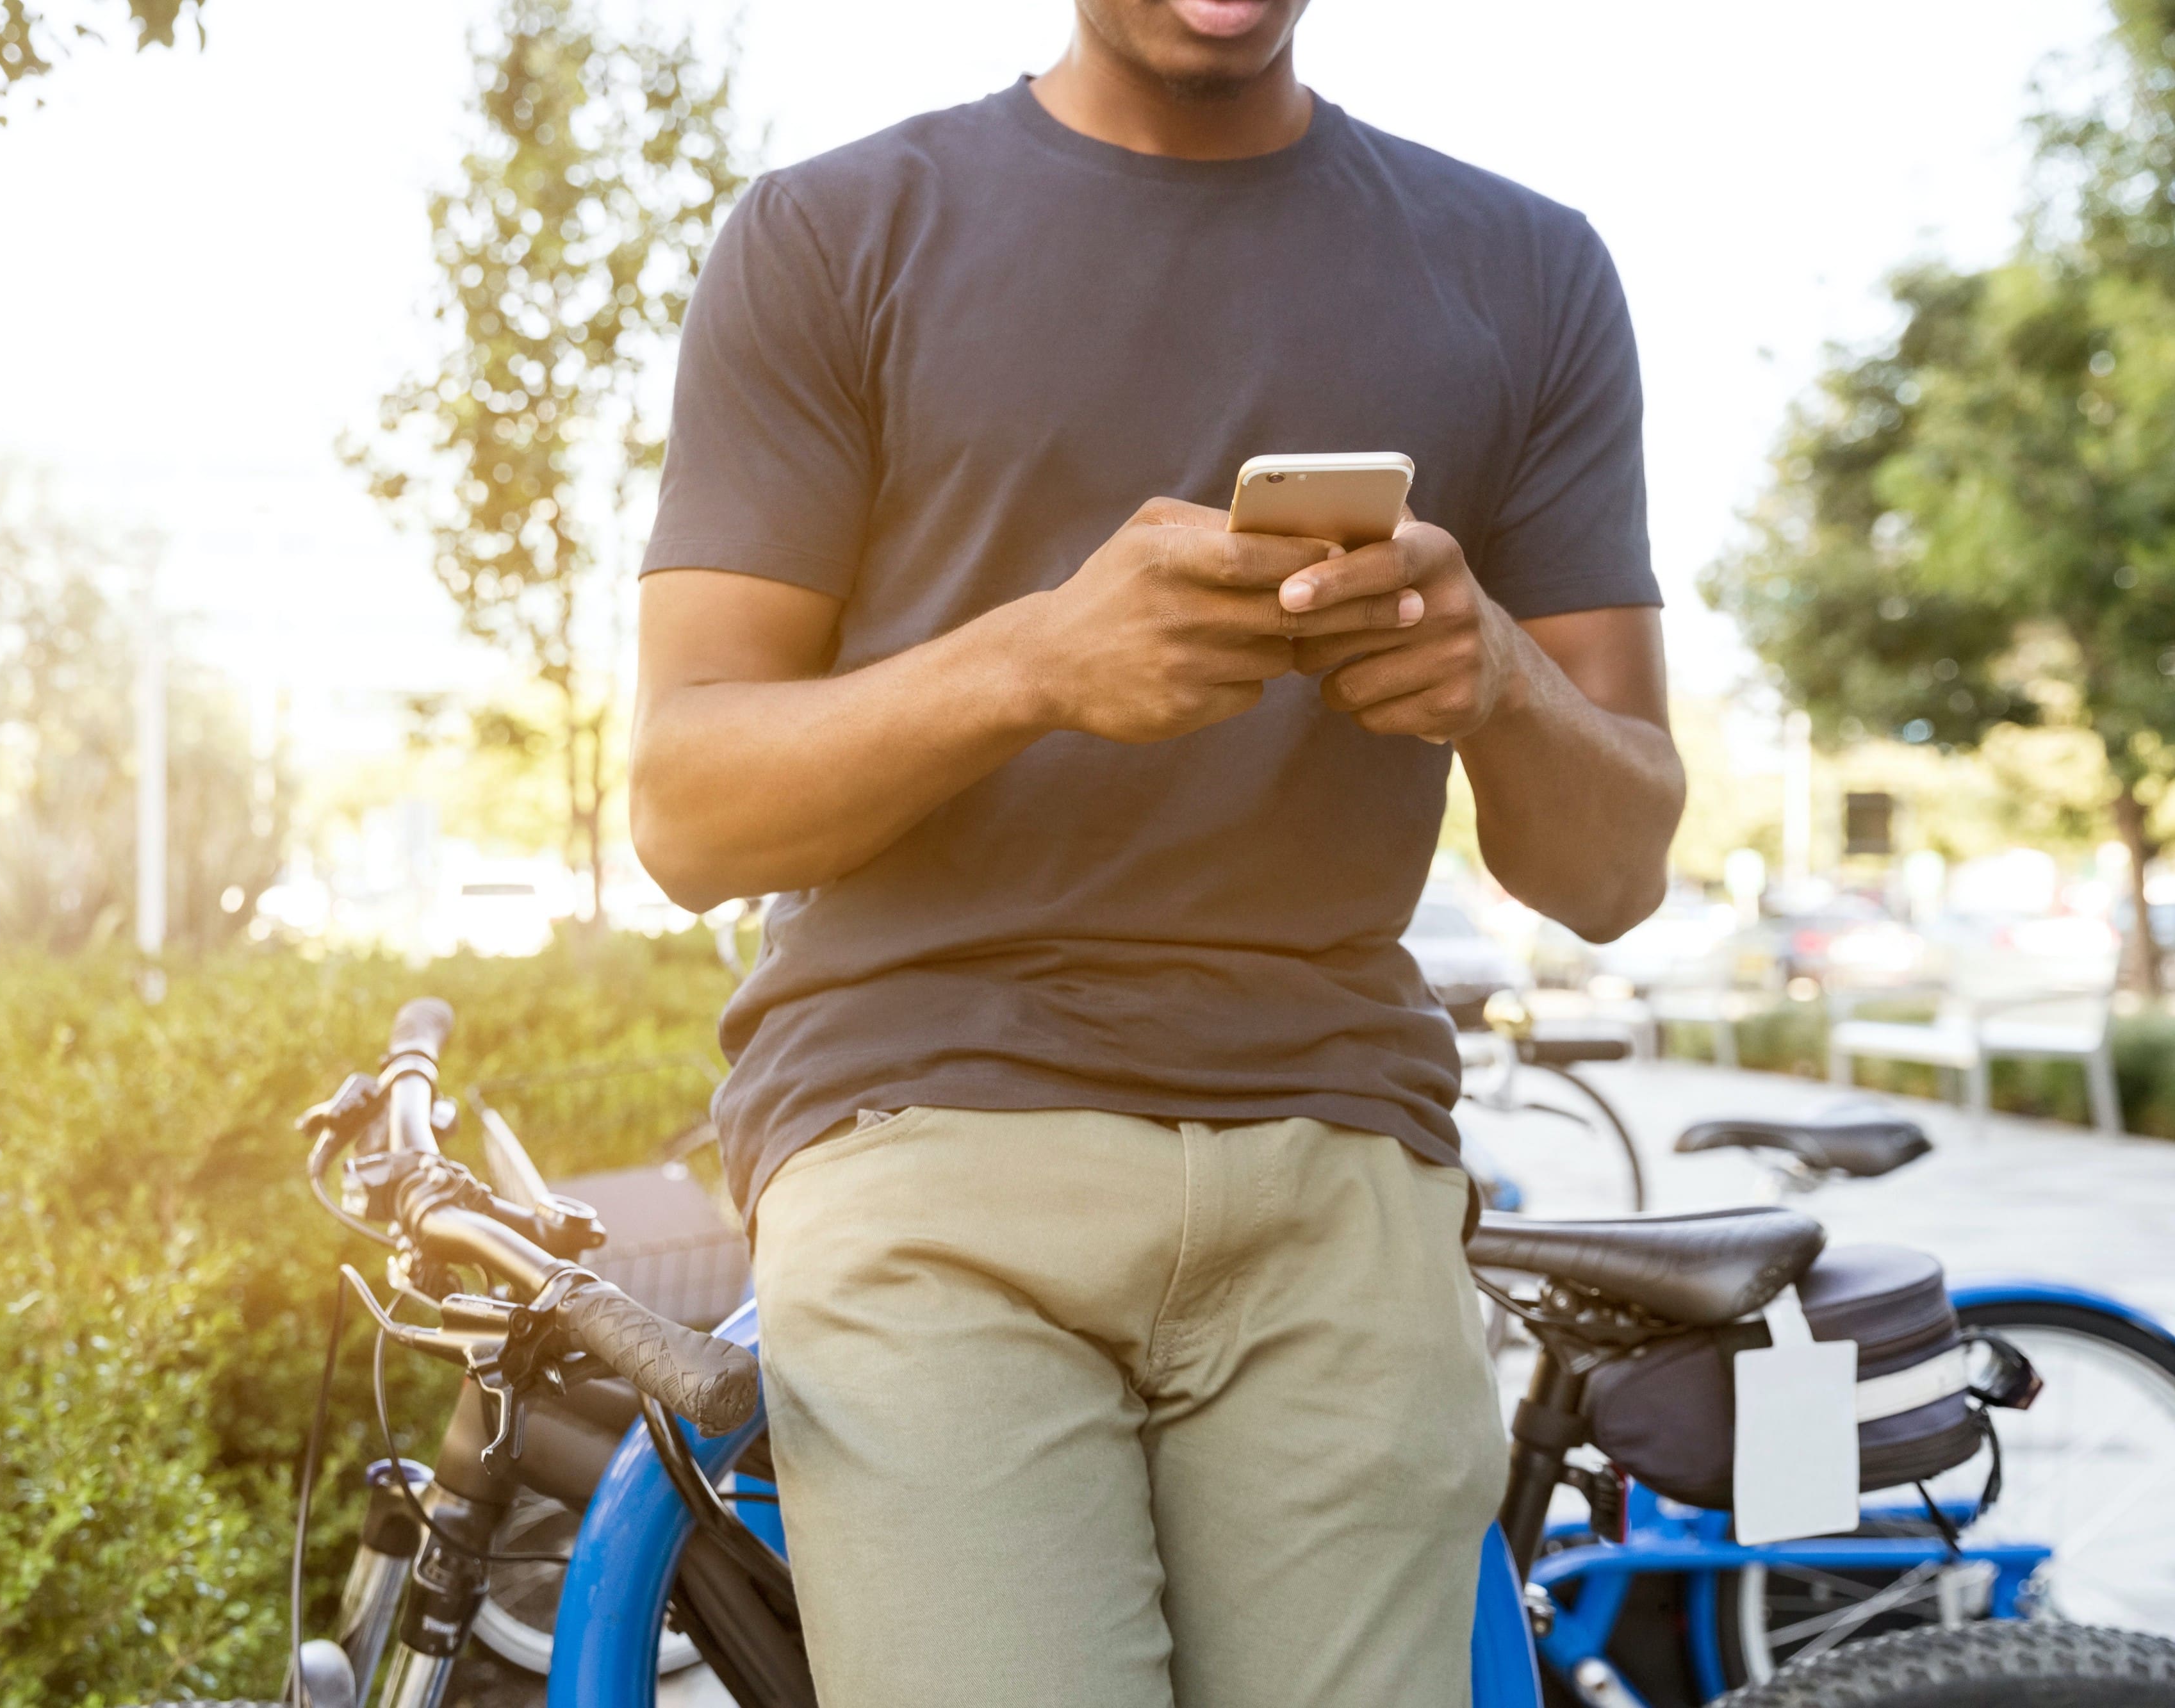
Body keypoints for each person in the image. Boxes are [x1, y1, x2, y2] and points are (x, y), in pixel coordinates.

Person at [628, 0, 1684, 1701]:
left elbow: (1614, 868)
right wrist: (1033, 663)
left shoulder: (1527, 270)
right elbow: (686, 809)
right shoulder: (832, 236)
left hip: (1341, 1165)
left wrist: (1495, 676)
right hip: (928, 1141)